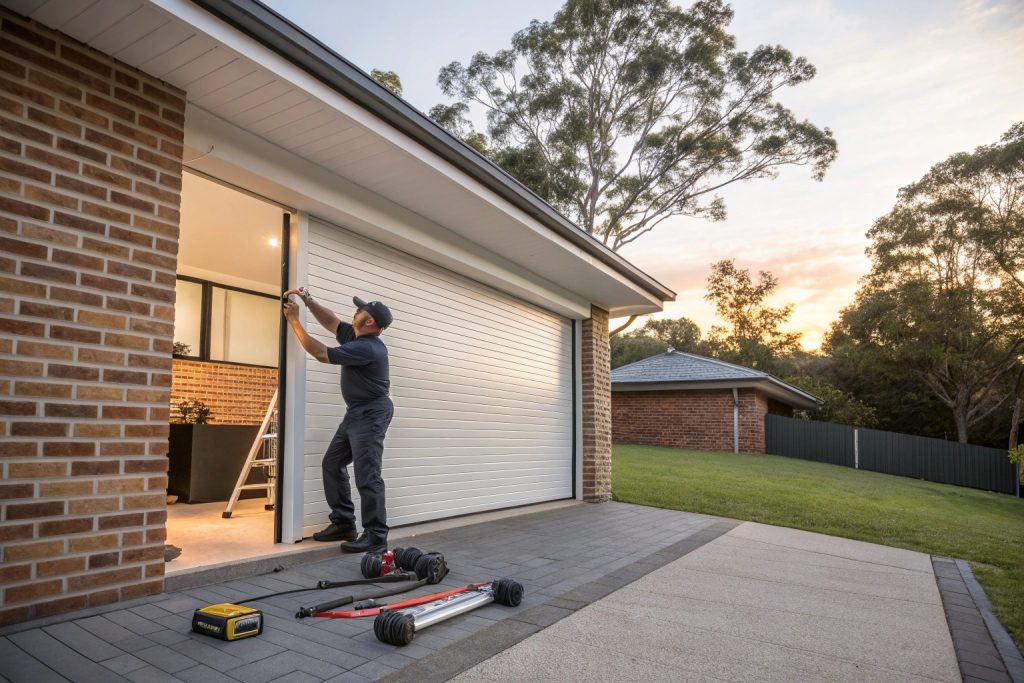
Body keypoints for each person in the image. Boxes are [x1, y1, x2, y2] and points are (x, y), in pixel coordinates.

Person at [282, 287, 394, 553]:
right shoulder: (356, 336)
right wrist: (307, 300)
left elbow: (322, 354)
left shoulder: (368, 348)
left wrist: (294, 321)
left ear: (369, 321)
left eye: (360, 310)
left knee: (368, 474)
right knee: (332, 463)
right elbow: (331, 321)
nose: (356, 311)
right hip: (356, 412)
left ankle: (376, 535)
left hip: (371, 413)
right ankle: (344, 523)